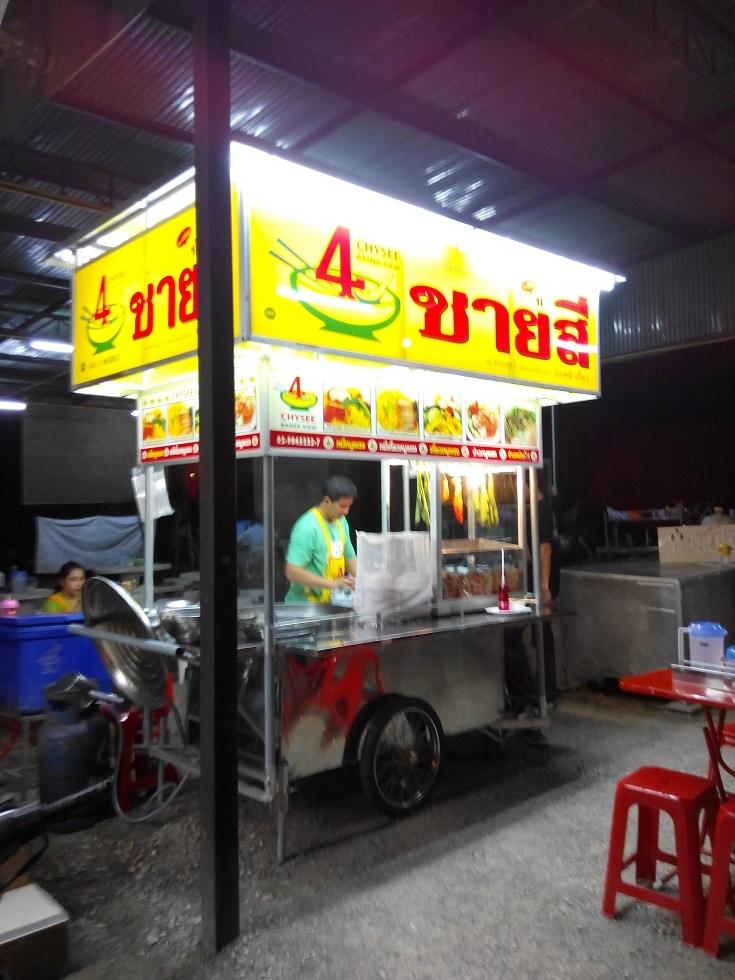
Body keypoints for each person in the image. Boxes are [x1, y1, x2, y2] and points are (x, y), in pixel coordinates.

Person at [284, 475, 357, 604]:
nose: (346, 512)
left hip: (331, 604)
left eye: (349, 506)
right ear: (327, 501)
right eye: (342, 506)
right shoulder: (307, 527)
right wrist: (332, 584)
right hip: (303, 609)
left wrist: (366, 583)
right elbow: (291, 571)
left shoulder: (341, 521)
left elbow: (350, 558)